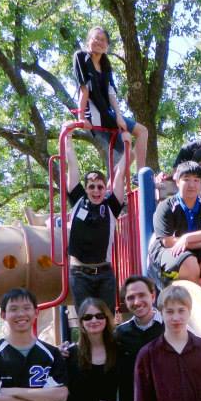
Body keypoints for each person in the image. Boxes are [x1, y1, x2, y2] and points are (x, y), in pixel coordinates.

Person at [74, 26, 148, 177]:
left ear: (107, 46)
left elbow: (111, 93)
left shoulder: (105, 64)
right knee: (128, 149)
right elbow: (84, 89)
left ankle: (139, 178)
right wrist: (81, 117)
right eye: (96, 38)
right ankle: (134, 179)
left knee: (137, 138)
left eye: (103, 40)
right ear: (89, 41)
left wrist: (119, 116)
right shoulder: (81, 57)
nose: (99, 42)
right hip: (94, 116)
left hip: (108, 114)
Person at [64, 132, 124, 313]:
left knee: (107, 319)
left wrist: (129, 146)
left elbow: (120, 175)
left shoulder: (111, 207)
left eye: (100, 186)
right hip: (80, 274)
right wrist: (67, 137)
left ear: (105, 189)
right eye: (91, 186)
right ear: (86, 188)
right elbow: (72, 166)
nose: (96, 190)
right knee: (86, 319)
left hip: (104, 273)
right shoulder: (78, 202)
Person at [148, 161, 201, 290]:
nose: (192, 185)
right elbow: (168, 242)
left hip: (195, 250)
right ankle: (189, 304)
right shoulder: (166, 206)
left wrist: (186, 239)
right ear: (178, 182)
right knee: (190, 264)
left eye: (196, 180)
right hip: (167, 251)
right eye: (186, 179)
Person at [114, 276, 164, 401]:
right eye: (130, 297)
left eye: (142, 295)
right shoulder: (120, 334)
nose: (136, 302)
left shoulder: (169, 327)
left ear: (153, 295)